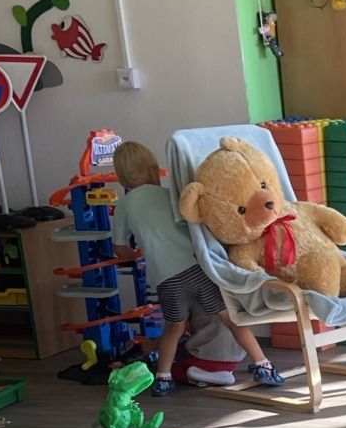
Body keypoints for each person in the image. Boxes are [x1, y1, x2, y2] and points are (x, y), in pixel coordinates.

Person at [110, 139, 282, 393]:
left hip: (166, 278)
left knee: (174, 328)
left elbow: (120, 248)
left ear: (123, 177)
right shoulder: (168, 195)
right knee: (230, 319)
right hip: (195, 268)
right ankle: (263, 365)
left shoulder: (123, 206)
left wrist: (137, 254)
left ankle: (163, 378)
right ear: (151, 170)